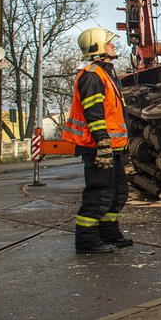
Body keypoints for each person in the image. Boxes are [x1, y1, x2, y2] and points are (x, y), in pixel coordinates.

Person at [61, 28, 132, 255]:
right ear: (98, 48)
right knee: (99, 192)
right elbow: (94, 113)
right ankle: (87, 240)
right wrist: (102, 142)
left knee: (117, 191)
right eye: (109, 43)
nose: (113, 46)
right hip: (98, 147)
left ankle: (109, 233)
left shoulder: (106, 73)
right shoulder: (93, 76)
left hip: (112, 146)